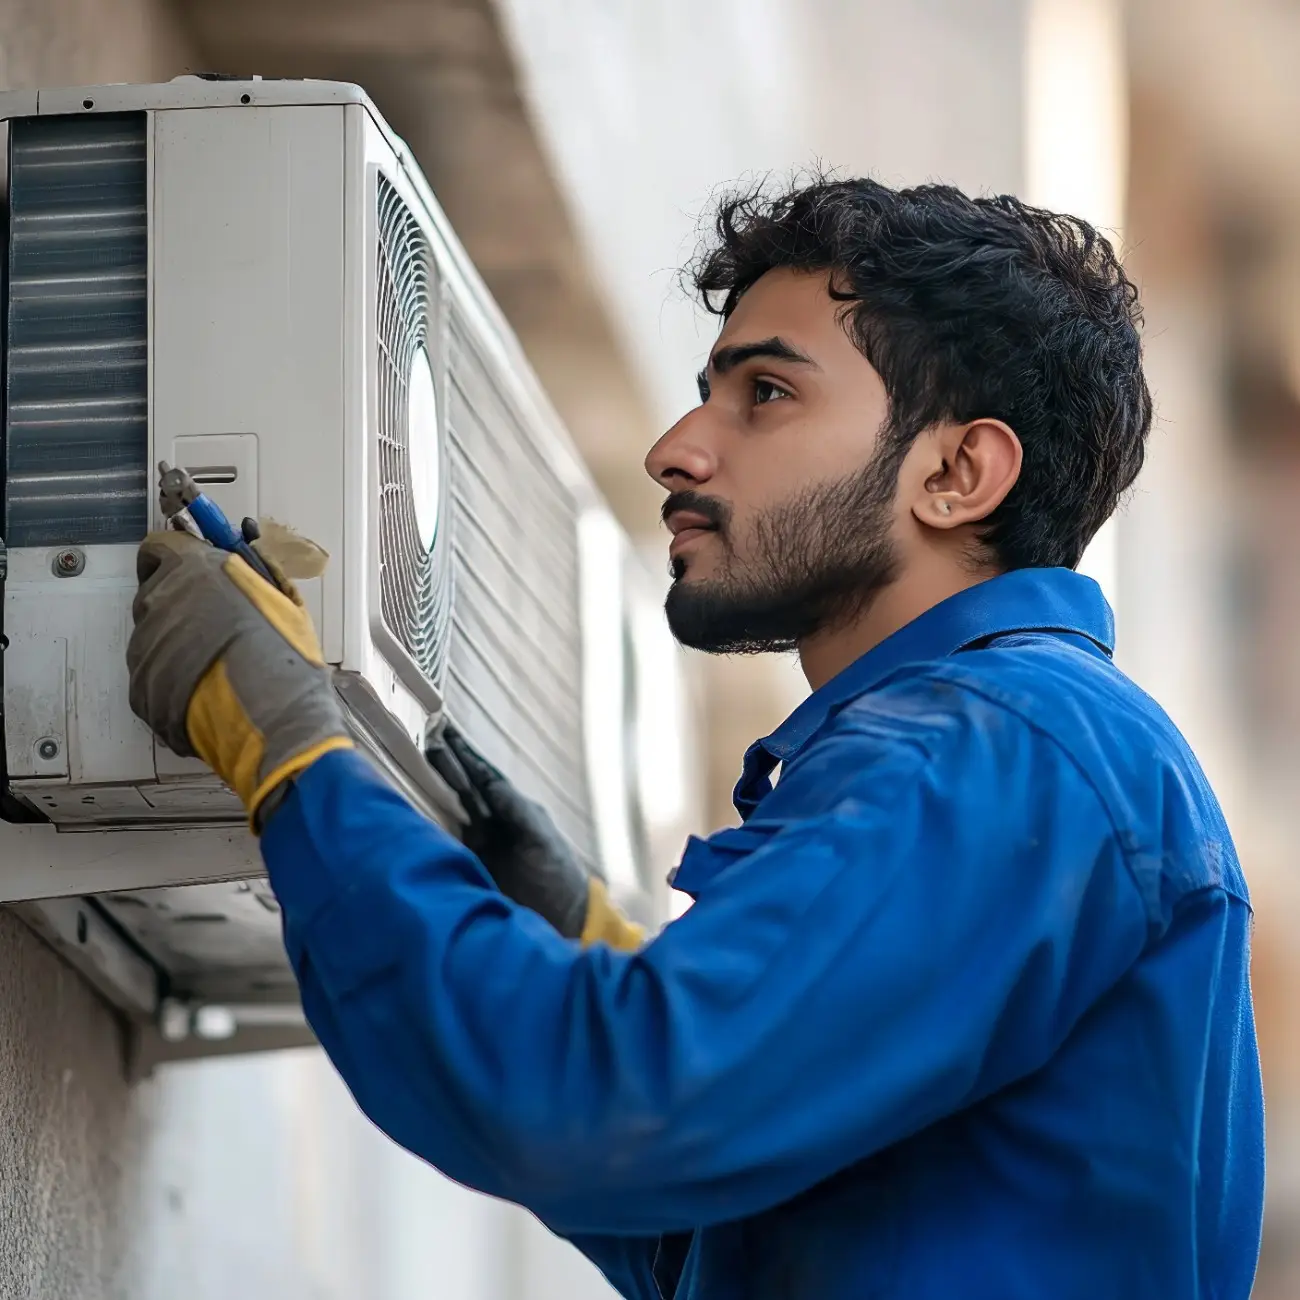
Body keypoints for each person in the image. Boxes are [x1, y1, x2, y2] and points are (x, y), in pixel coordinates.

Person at [125, 177, 1264, 1299]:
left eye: (764, 393)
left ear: (958, 473)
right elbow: (726, 1238)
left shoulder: (995, 745)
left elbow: (603, 1112)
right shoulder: (1031, 749)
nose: (675, 448)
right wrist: (577, 937)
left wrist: (284, 747)